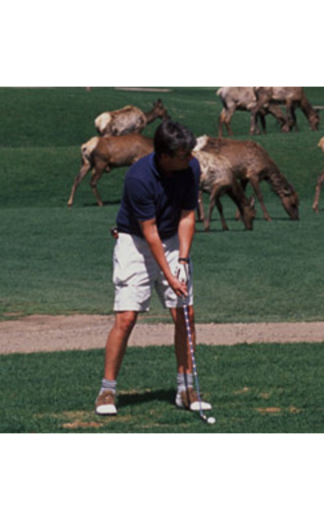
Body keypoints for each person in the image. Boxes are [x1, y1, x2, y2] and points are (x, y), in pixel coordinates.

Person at [95, 120, 211, 416]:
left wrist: (182, 261)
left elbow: (187, 215)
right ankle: (106, 391)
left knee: (185, 314)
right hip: (135, 243)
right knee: (127, 317)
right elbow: (149, 233)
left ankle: (185, 389)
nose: (190, 160)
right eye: (183, 155)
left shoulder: (191, 168)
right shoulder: (138, 178)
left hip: (173, 240)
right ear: (164, 155)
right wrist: (169, 276)